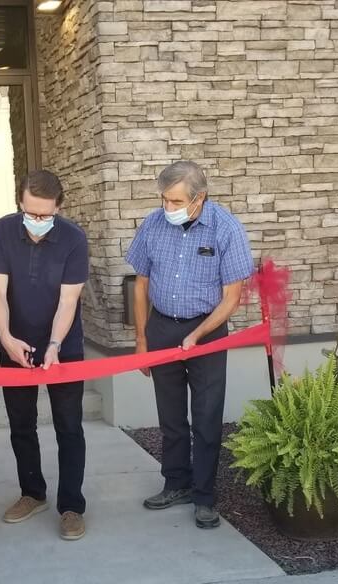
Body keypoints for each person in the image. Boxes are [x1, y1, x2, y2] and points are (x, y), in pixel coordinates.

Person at [126, 160, 254, 529]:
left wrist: (197, 336)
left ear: (199, 198)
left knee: (207, 416)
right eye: (165, 200)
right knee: (170, 417)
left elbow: (232, 297)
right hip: (162, 328)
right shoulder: (153, 224)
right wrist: (141, 341)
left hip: (207, 332)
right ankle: (176, 483)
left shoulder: (225, 229)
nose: (168, 208)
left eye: (175, 201)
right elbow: (141, 285)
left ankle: (204, 496)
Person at [0, 170, 89, 541]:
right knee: (21, 424)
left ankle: (72, 506)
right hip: (15, 343)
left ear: (59, 208)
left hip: (65, 348)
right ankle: (32, 493)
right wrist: (6, 338)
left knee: (69, 426)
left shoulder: (74, 239)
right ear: (20, 203)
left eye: (46, 215)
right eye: (30, 212)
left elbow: (69, 300)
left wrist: (55, 345)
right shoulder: (0, 232)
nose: (37, 222)